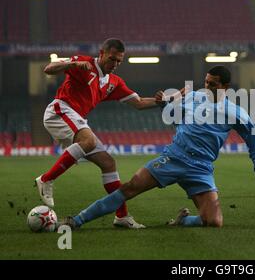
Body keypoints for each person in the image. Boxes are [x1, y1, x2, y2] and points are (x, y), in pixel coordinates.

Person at [60, 66, 255, 229]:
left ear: (226, 88)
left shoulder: (235, 112)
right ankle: (77, 220)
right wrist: (164, 101)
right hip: (174, 157)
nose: (207, 87)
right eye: (206, 82)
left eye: (213, 84)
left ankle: (182, 221)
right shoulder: (194, 97)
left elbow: (254, 141)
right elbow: (171, 111)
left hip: (201, 168)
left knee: (213, 221)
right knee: (130, 187)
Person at [36, 38, 163, 228]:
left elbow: (139, 103)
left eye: (120, 61)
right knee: (87, 140)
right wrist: (71, 64)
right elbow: (48, 69)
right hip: (60, 110)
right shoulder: (84, 63)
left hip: (76, 117)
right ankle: (46, 179)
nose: (116, 64)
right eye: (112, 59)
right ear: (101, 53)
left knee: (108, 162)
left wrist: (164, 101)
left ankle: (122, 216)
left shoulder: (114, 82)